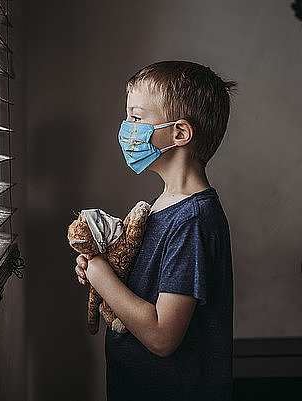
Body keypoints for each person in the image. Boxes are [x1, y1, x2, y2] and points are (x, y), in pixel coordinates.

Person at [74, 60, 236, 401]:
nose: (126, 128)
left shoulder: (192, 221)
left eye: (136, 117)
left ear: (179, 133)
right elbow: (144, 286)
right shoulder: (164, 205)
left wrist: (103, 278)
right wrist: (102, 266)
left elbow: (163, 336)